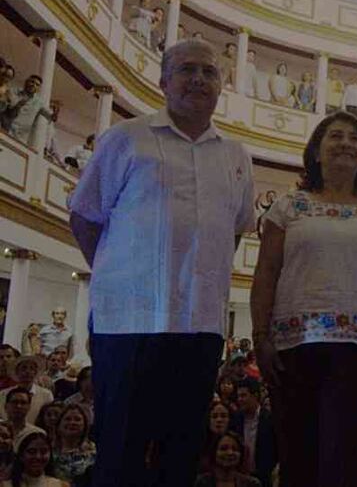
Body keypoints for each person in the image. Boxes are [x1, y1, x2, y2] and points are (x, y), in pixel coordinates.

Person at [68, 39, 255, 486]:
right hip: (129, 324)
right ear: (163, 81)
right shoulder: (126, 139)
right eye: (187, 69)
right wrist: (122, 278)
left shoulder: (236, 157)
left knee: (182, 454)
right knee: (120, 454)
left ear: (221, 86)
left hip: (199, 326)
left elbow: (232, 232)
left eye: (209, 72)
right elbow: (85, 217)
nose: (198, 79)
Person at [250, 111, 357, 487]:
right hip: (292, 347)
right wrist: (260, 336)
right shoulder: (288, 207)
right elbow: (267, 273)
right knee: (296, 459)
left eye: (355, 138)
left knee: (340, 459)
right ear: (316, 153)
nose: (345, 143)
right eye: (335, 136)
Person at [228, 379, 275, 487]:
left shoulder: (270, 420)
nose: (240, 400)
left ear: (255, 396)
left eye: (244, 395)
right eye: (238, 396)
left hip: (265, 478)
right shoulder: (235, 419)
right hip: (239, 477)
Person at [0, 357, 52, 430]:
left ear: (36, 372)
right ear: (17, 371)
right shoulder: (3, 394)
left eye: (31, 368)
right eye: (24, 368)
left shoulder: (46, 394)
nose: (28, 371)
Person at [193, 432, 260, 487]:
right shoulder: (203, 482)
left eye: (235, 449)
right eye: (223, 448)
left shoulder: (252, 484)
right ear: (214, 453)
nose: (230, 453)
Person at [50, 403, 95, 484]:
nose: (72, 422)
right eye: (67, 419)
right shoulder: (48, 450)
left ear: (85, 425)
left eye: (77, 419)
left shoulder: (94, 451)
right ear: (59, 424)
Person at [2, 75, 51, 144]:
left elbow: (50, 115)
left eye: (37, 85)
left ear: (38, 89)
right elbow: (10, 107)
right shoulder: (13, 91)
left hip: (20, 138)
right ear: (26, 82)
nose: (34, 85)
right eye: (32, 82)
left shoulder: (39, 102)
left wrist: (55, 114)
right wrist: (21, 103)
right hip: (5, 130)